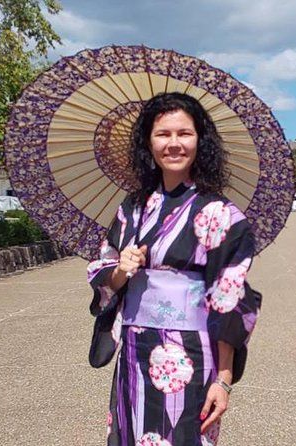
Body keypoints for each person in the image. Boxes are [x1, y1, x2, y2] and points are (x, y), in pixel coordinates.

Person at [86, 92, 260, 446]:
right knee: (130, 435)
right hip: (135, 350)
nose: (174, 143)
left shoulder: (219, 213)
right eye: (163, 134)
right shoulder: (133, 208)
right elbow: (105, 271)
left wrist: (223, 379)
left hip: (190, 355)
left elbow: (230, 298)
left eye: (185, 133)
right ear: (148, 143)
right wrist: (122, 269)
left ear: (200, 141)